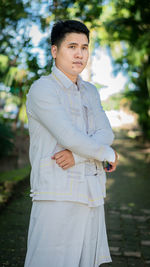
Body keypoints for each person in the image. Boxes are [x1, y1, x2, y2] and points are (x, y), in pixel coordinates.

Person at [24, 20, 118, 267]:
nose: (80, 54)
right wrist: (106, 153)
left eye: (85, 47)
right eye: (72, 46)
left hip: (92, 193)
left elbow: (106, 133)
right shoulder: (42, 90)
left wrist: (79, 156)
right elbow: (69, 136)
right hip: (57, 192)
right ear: (55, 51)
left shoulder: (90, 91)